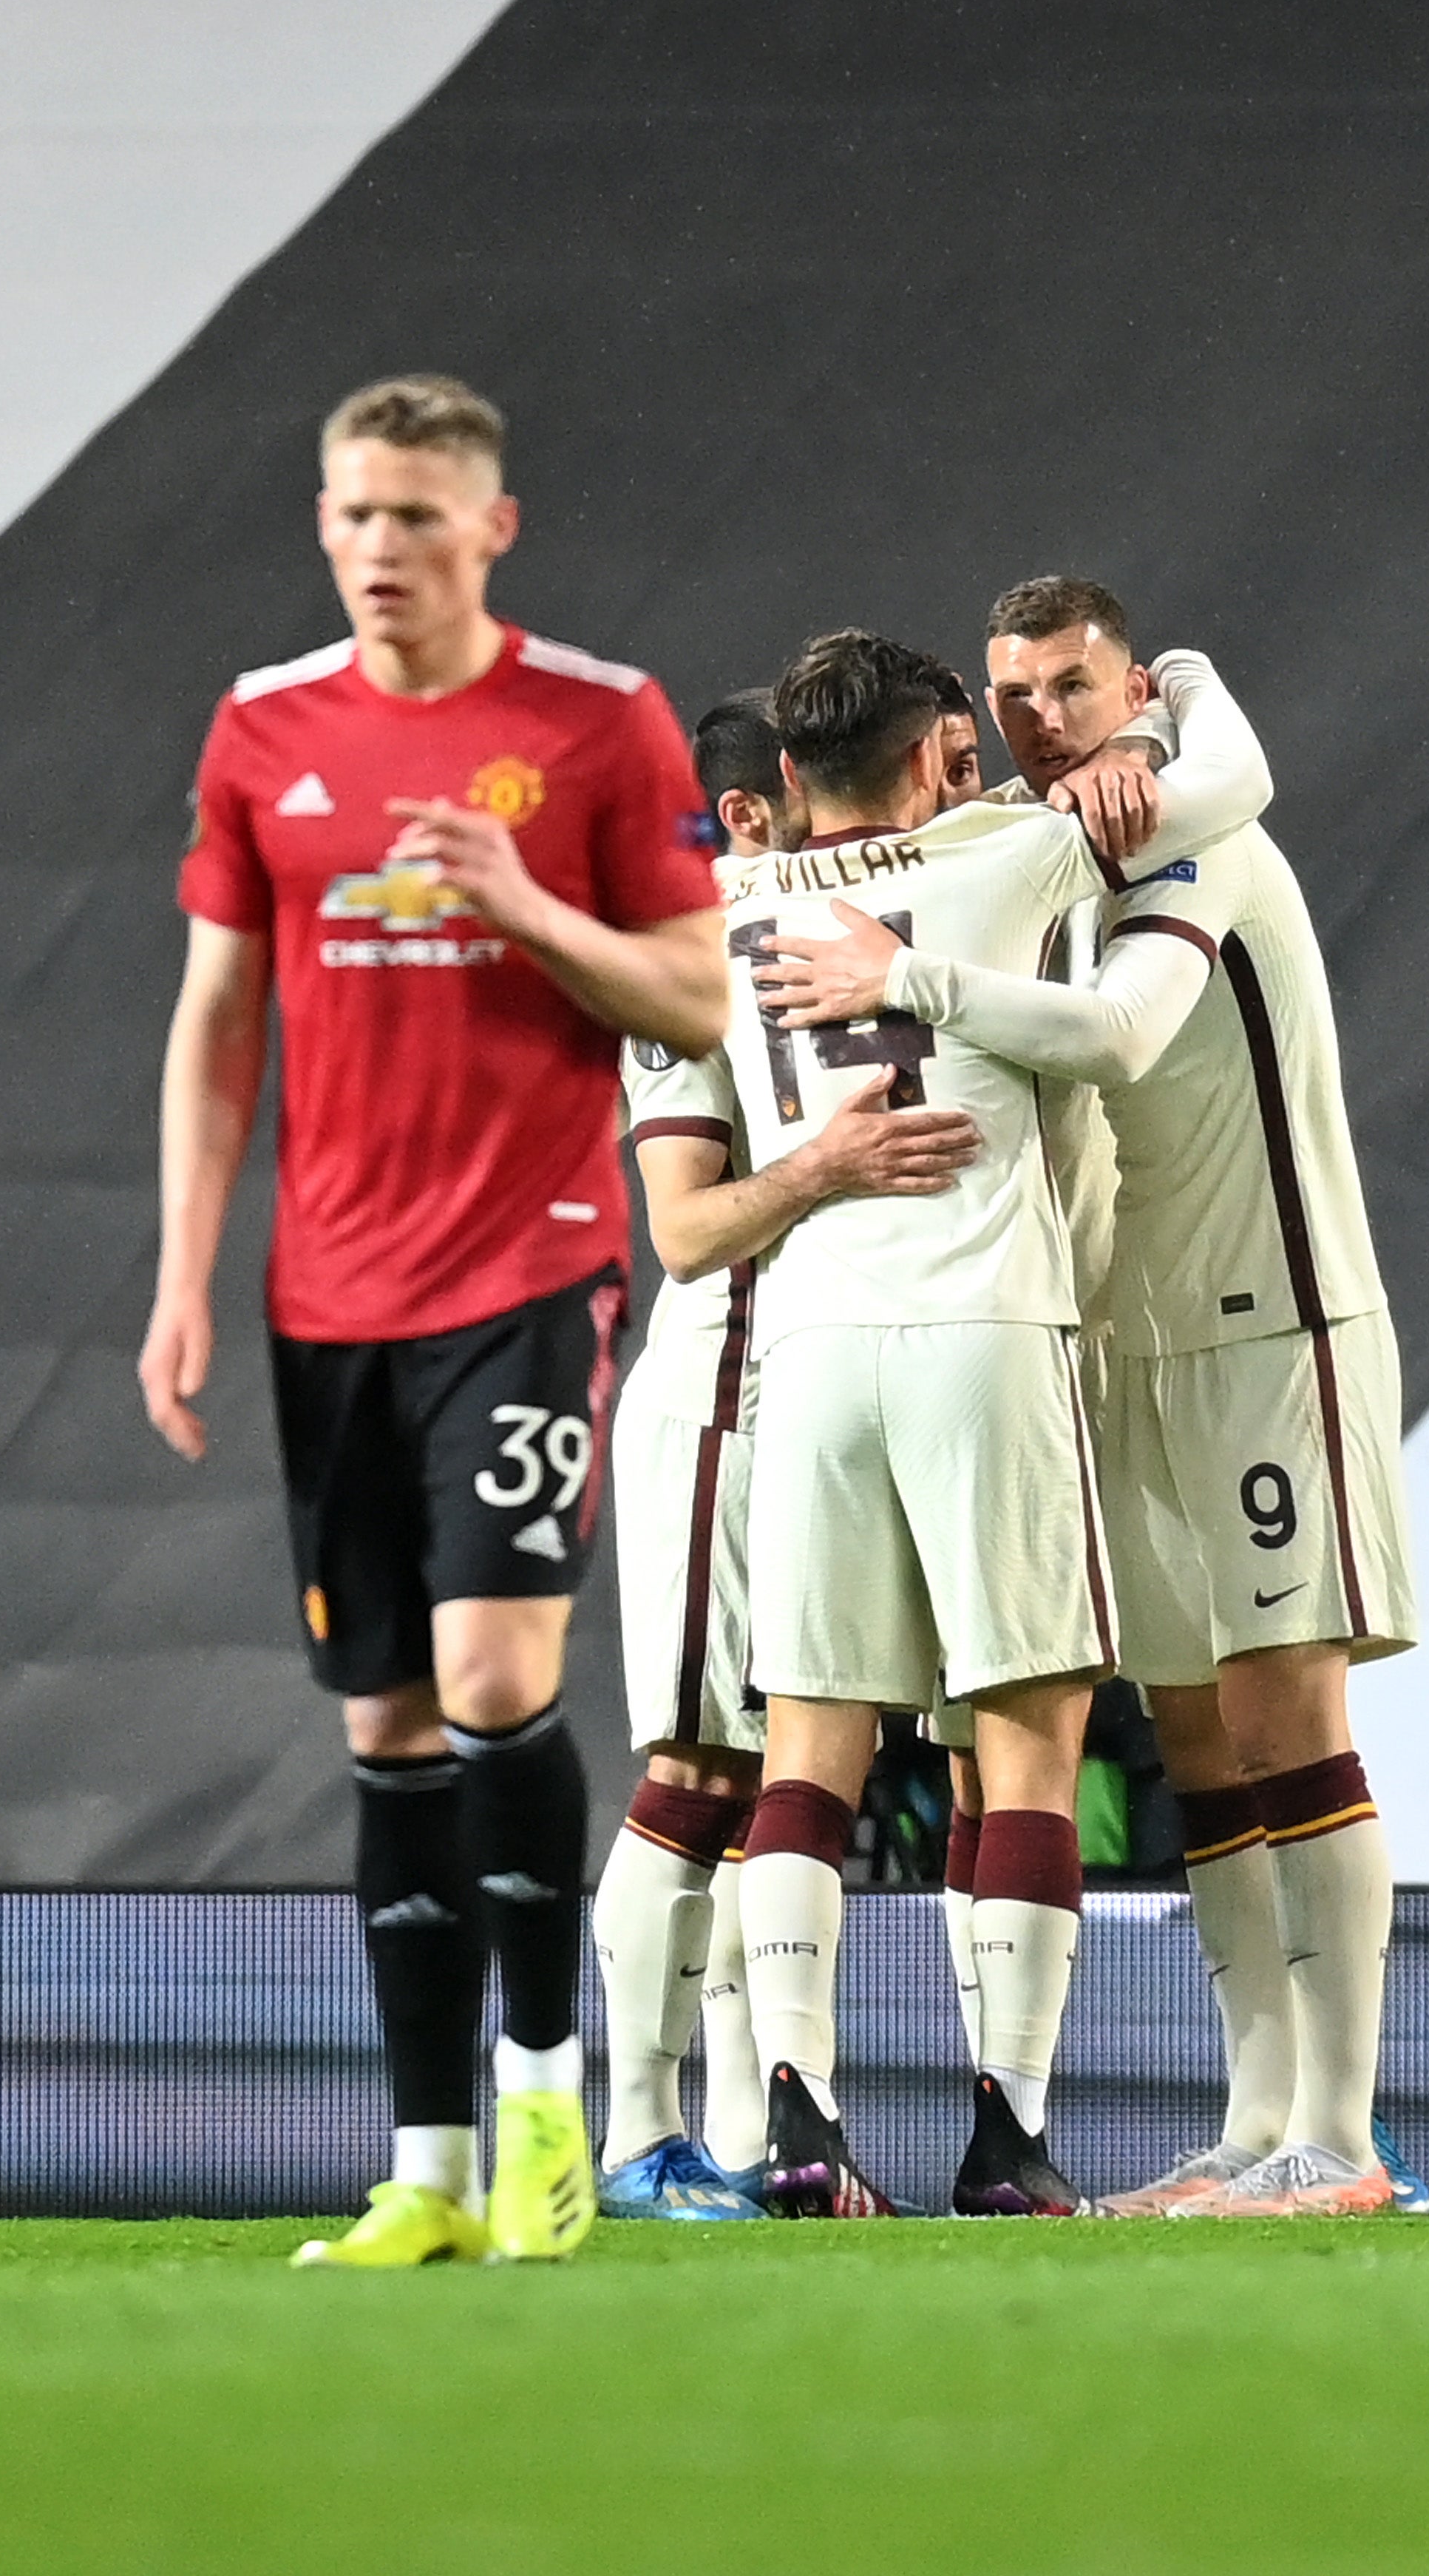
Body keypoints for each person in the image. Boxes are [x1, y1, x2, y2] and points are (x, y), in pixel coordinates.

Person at [147, 373, 729, 2268]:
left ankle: (551, 2097)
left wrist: (523, 909)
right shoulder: (262, 730)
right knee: (390, 1725)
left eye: (413, 516)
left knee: (496, 1683)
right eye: (350, 514)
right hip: (329, 1294)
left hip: (527, 1260)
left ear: (493, 528)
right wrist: (182, 1279)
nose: (377, 549)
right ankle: (428, 2169)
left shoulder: (592, 723)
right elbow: (221, 1019)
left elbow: (703, 1001)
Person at [756, 578, 1419, 2219]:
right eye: (1017, 696)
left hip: (1270, 1319)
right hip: (1117, 1334)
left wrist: (901, 975)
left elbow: (1122, 1035)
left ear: (1138, 693)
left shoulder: (1198, 848)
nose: (1046, 722)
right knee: (1198, 1737)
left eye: (1076, 687)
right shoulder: (1025, 859)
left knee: (1291, 1716)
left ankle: (1340, 2135)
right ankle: (1256, 2128)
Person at [713, 628, 1265, 2218]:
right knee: (1031, 1733)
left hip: (813, 1339)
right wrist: (1172, 687)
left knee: (808, 1746)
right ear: (928, 752)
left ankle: (799, 2120)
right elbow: (1234, 791)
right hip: (982, 1325)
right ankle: (1008, 2135)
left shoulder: (737, 908)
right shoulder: (1003, 860)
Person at [588, 694, 984, 2216]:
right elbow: (687, 1237)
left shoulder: (845, 951)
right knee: (699, 1766)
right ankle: (634, 2138)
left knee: (780, 1790)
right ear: (754, 823)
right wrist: (824, 1164)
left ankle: (761, 2146)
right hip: (723, 1397)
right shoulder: (694, 975)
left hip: (829, 1399)